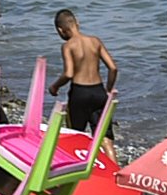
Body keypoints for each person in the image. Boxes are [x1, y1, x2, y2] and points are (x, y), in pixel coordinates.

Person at [49, 10, 118, 143]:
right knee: (105, 138)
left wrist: (54, 86)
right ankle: (113, 164)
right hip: (98, 91)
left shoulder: (67, 46)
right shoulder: (95, 41)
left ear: (60, 30)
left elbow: (68, 73)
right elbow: (113, 68)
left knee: (76, 136)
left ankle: (81, 162)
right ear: (77, 23)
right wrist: (108, 89)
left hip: (79, 93)